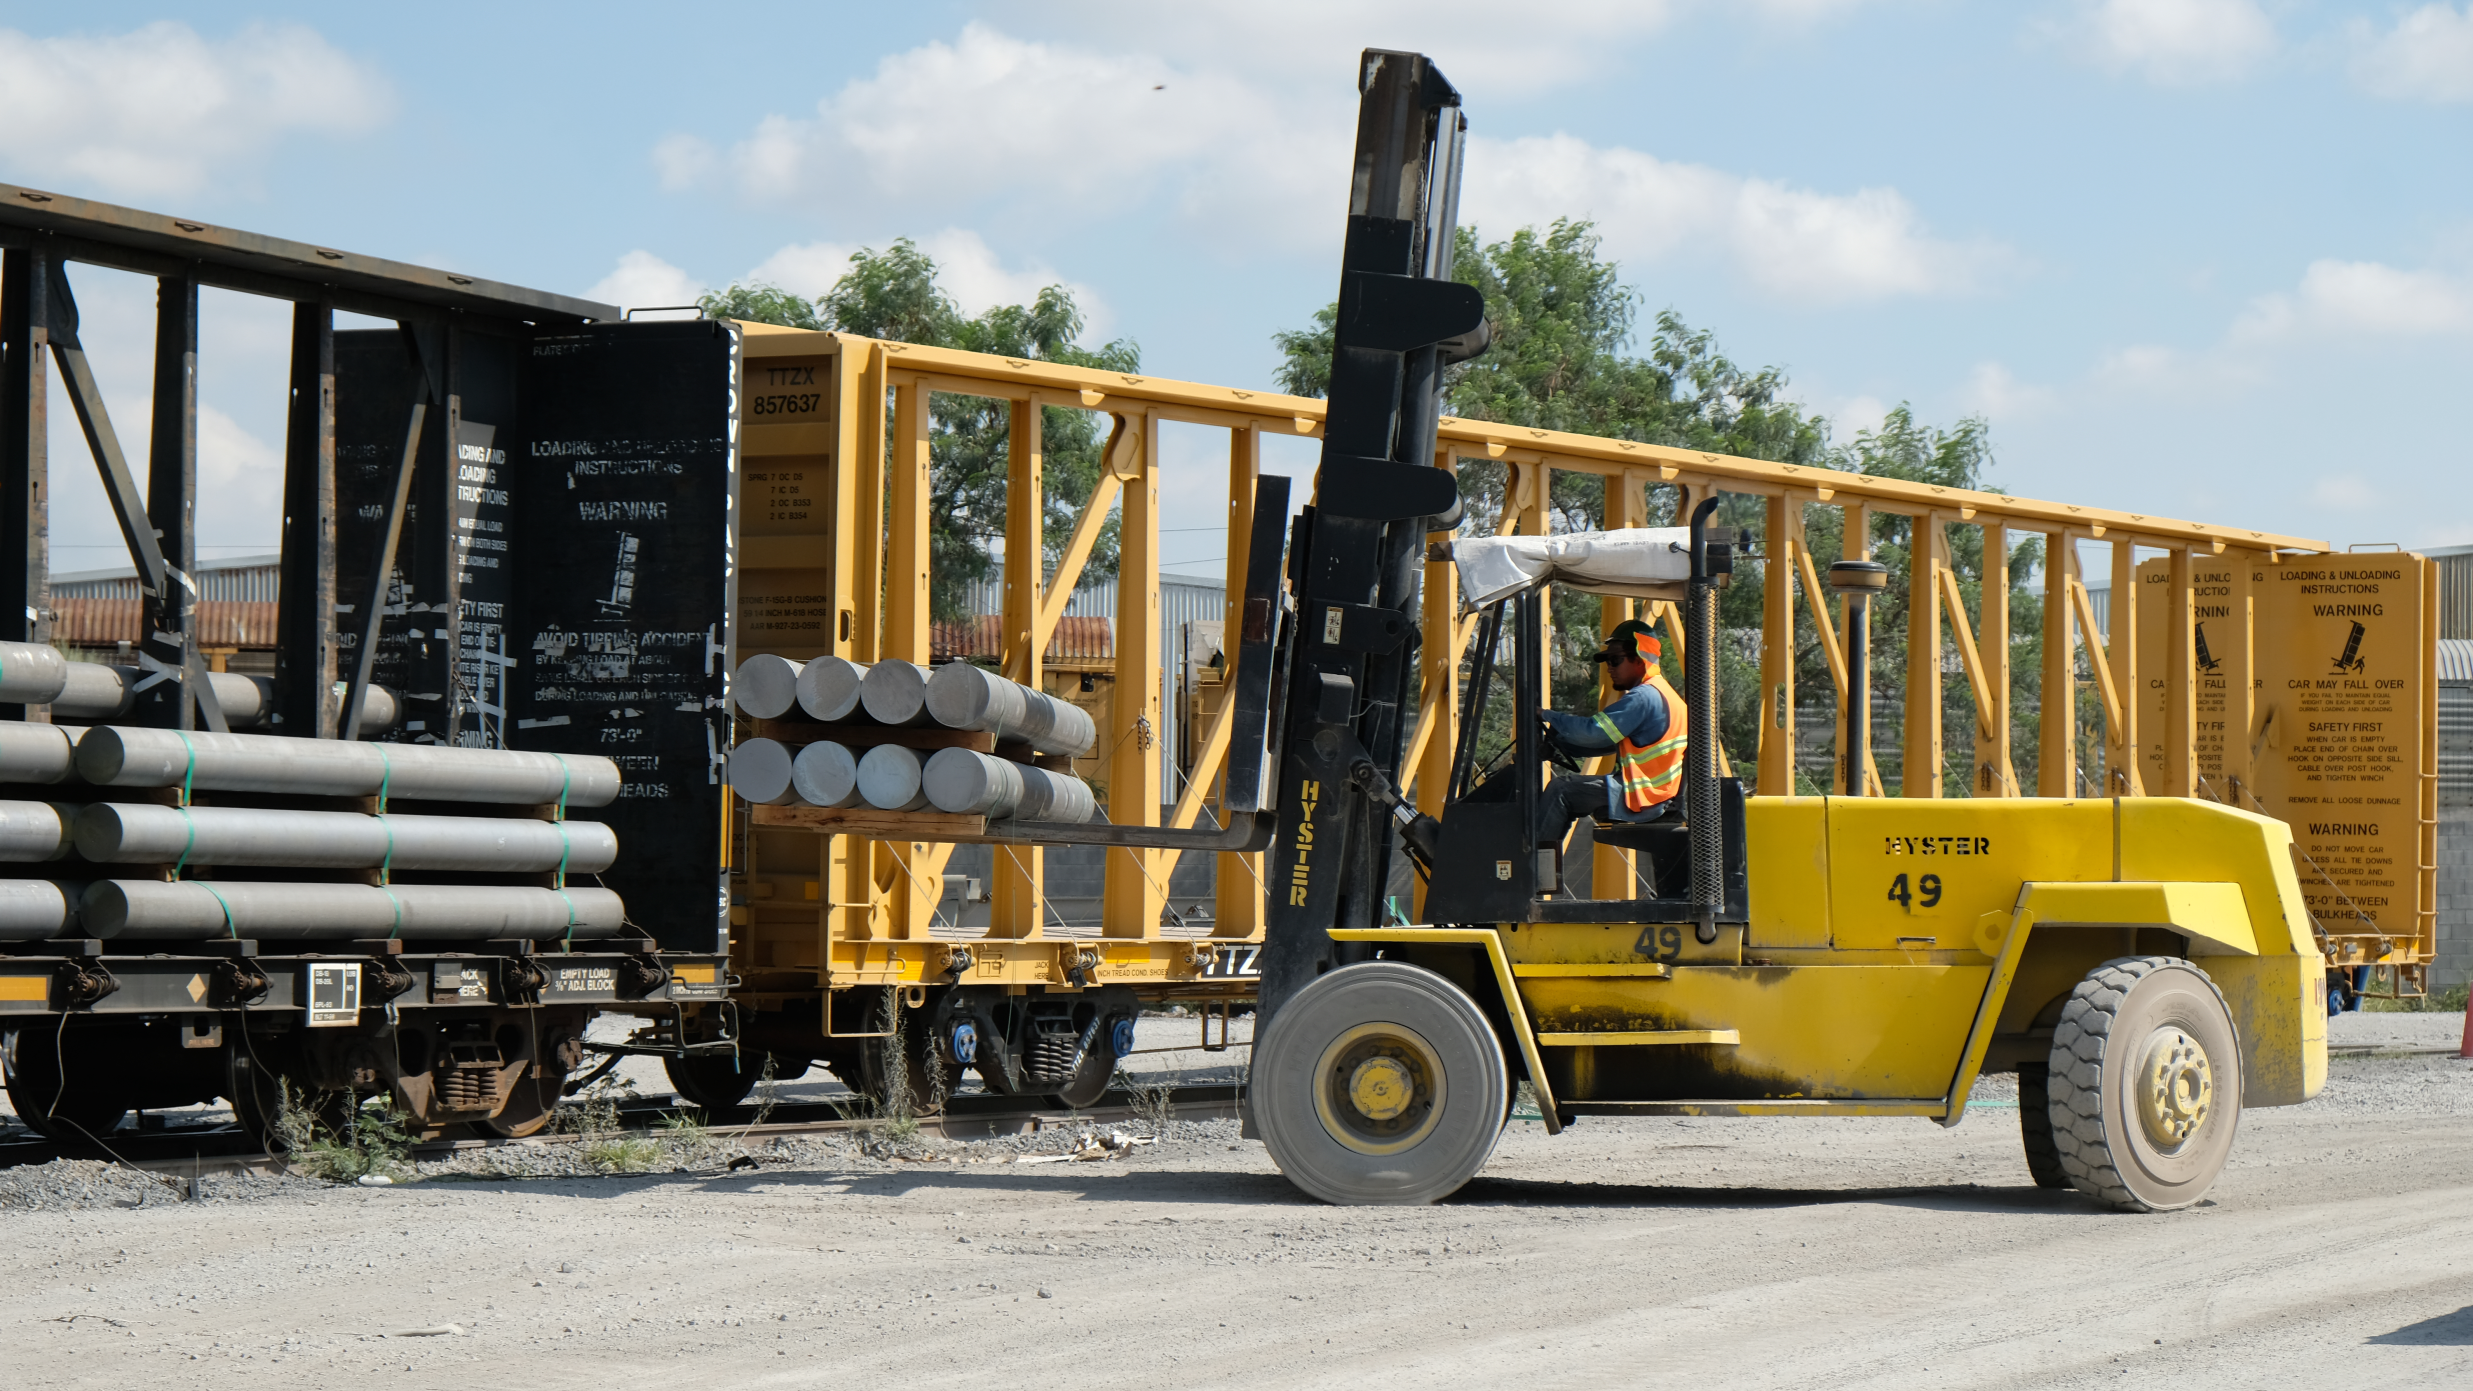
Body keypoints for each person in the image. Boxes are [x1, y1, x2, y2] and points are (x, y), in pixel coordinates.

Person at [1535, 618, 1687, 854]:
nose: (1609, 667)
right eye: (1607, 661)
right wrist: (1562, 743)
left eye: (1615, 660)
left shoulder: (1643, 697)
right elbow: (1608, 743)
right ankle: (1543, 868)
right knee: (1569, 793)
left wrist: (1546, 715)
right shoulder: (1664, 693)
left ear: (1639, 660)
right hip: (1658, 793)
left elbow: (1593, 733)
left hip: (1644, 795)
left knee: (1561, 790)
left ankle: (1531, 868)